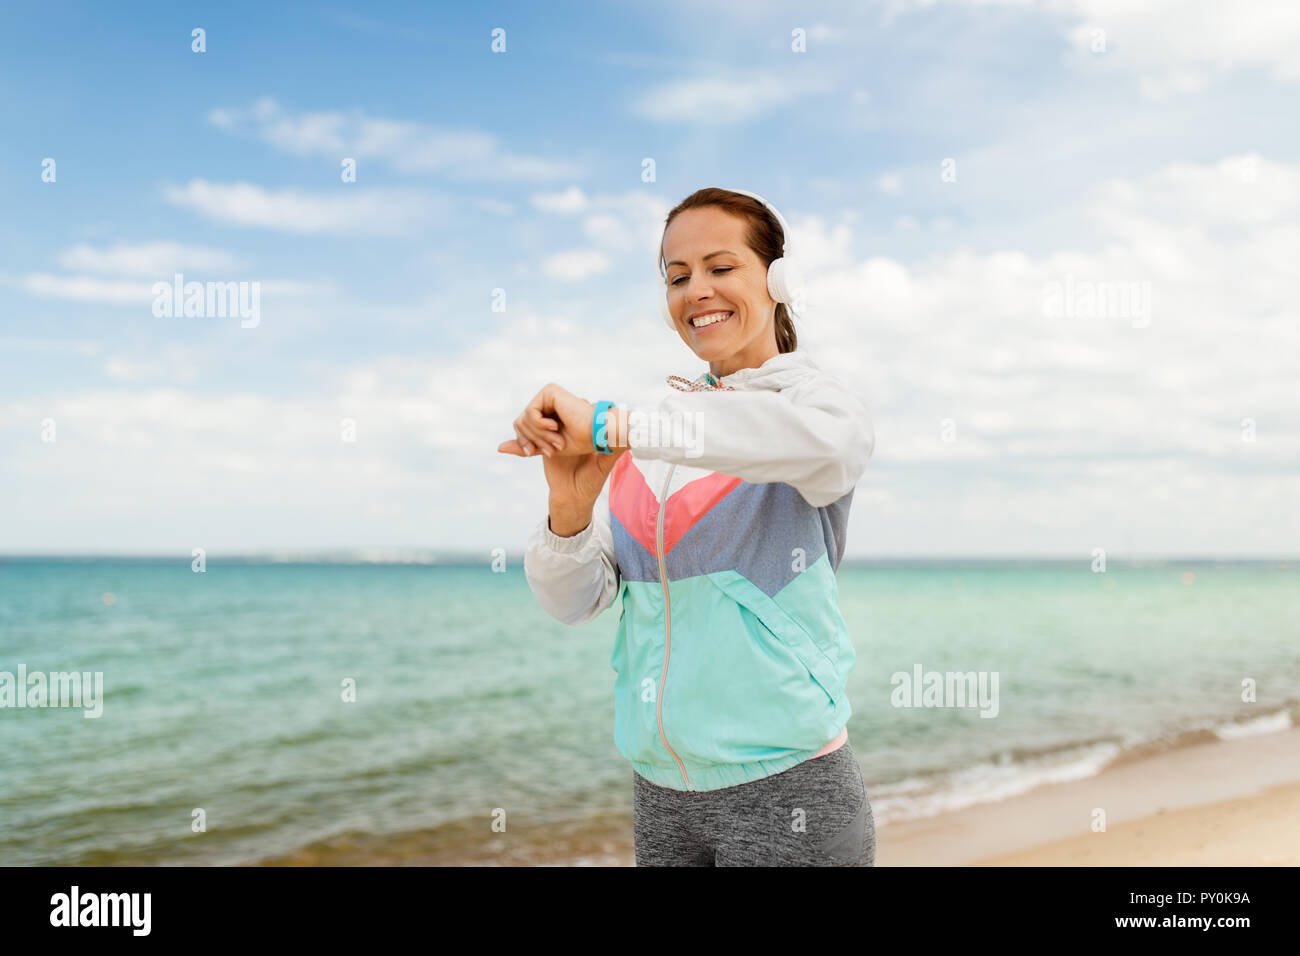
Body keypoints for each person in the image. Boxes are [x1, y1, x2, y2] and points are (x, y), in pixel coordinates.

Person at [498, 187, 876, 866]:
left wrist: (614, 422)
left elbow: (826, 447)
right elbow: (572, 603)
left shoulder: (814, 405)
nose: (696, 290)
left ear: (778, 279)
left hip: (790, 788)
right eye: (677, 277)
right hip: (663, 796)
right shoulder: (657, 443)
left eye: (720, 267)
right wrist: (570, 507)